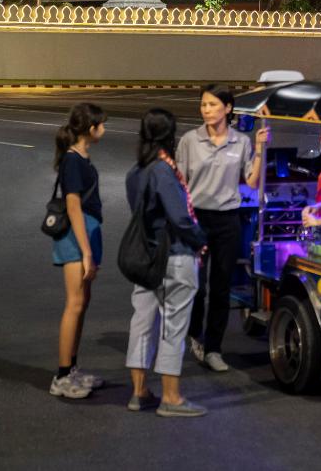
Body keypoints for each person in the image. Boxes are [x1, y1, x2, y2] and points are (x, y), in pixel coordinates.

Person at [125, 108, 210, 418]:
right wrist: (201, 240)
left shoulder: (135, 172)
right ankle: (171, 398)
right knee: (173, 327)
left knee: (142, 323)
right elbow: (179, 218)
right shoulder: (164, 170)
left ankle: (139, 391)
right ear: (169, 136)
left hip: (146, 259)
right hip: (174, 256)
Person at [177, 84, 267, 372]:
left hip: (229, 220)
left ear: (228, 108)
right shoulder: (191, 140)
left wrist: (261, 148)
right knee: (197, 286)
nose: (206, 110)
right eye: (203, 104)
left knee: (220, 287)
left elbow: (251, 182)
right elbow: (180, 181)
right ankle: (195, 335)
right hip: (198, 219)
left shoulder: (241, 142)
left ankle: (214, 348)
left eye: (213, 105)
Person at [50, 103, 107, 400]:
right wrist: (85, 252)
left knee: (82, 302)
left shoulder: (82, 157)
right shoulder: (73, 160)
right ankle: (61, 377)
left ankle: (72, 368)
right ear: (90, 128)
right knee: (74, 303)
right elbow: (72, 205)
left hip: (86, 232)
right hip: (76, 237)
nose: (104, 129)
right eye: (101, 124)